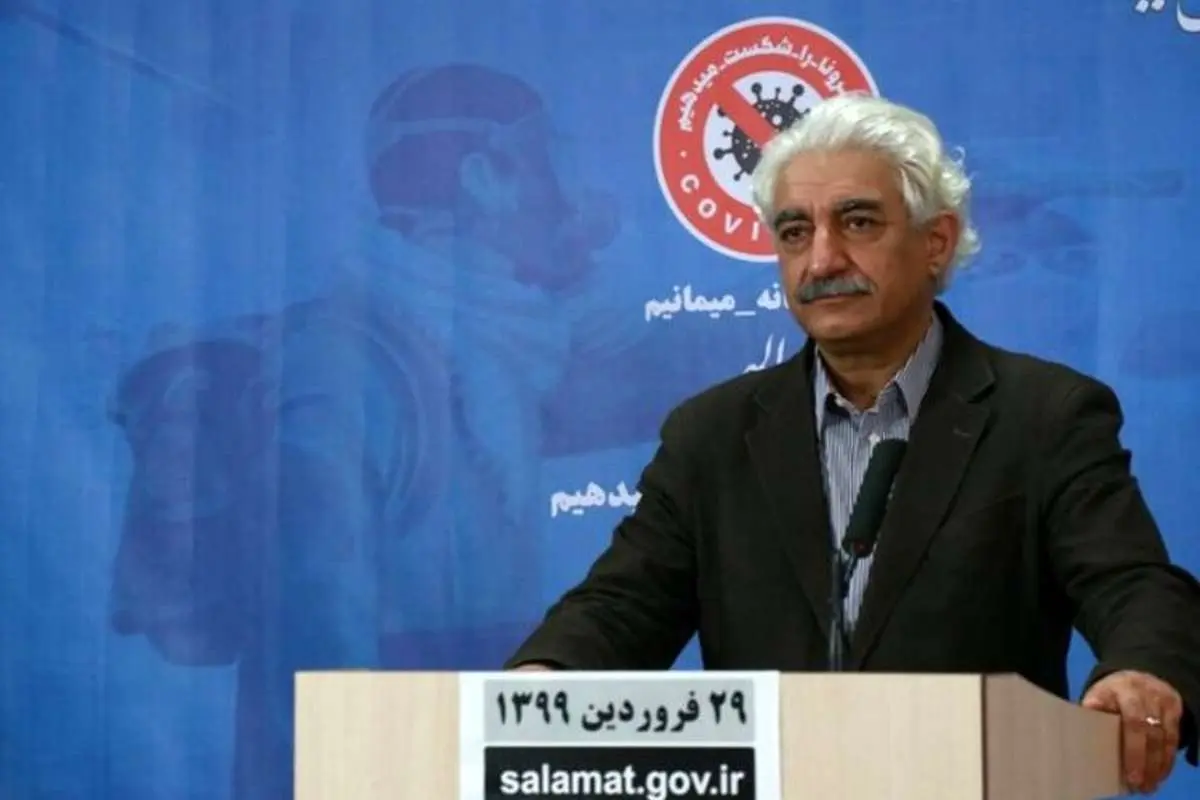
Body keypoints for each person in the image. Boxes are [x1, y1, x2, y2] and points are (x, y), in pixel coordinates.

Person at [505, 93, 1200, 795]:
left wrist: (1140, 672)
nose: (822, 259)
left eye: (858, 222)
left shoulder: (1043, 416)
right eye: (794, 232)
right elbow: (623, 604)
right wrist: (542, 681)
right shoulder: (711, 435)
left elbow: (1131, 583)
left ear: (936, 241)